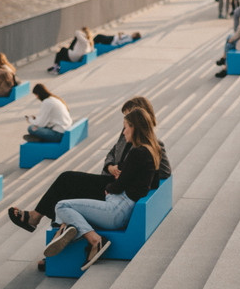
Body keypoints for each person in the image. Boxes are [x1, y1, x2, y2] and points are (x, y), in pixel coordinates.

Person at [7, 95, 171, 252]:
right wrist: (110, 167)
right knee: (67, 183)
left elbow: (162, 171)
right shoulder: (126, 135)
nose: (124, 126)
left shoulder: (151, 145)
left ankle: (43, 222)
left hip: (116, 191)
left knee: (67, 185)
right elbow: (111, 154)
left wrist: (129, 175)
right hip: (110, 181)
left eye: (129, 118)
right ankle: (46, 226)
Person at [44, 107, 162, 270]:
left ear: (134, 127)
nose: (124, 132)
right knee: (72, 207)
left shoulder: (137, 153)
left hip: (116, 210)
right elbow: (153, 184)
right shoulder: (153, 150)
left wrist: (110, 187)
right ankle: (66, 227)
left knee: (62, 205)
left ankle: (94, 240)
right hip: (124, 209)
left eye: (126, 127)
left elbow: (118, 186)